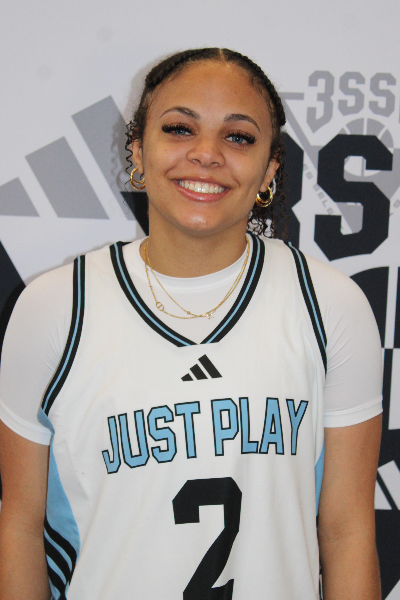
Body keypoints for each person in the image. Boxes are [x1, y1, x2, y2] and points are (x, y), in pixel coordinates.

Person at [0, 48, 382, 600]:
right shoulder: (54, 307)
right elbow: (19, 525)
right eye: (180, 128)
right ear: (138, 149)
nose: (206, 154)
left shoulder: (331, 306)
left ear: (270, 169)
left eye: (238, 137)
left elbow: (348, 532)